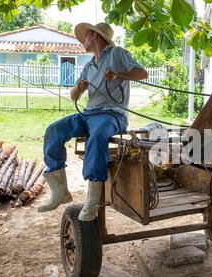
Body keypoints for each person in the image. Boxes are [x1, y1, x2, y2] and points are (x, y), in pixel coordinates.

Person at [38, 22, 148, 221]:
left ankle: (93, 198)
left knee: (96, 136)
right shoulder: (89, 65)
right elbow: (73, 96)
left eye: (85, 37)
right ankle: (60, 191)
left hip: (112, 115)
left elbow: (142, 73)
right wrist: (79, 88)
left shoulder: (117, 53)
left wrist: (119, 75)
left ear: (96, 36)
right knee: (53, 130)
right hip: (88, 114)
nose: (83, 41)